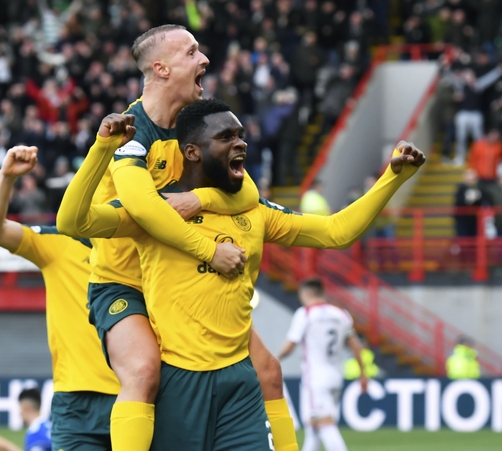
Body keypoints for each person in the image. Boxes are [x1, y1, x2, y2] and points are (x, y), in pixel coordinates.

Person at [57, 100, 424, 450]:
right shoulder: (157, 211)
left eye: (241, 135)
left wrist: (392, 178)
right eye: (226, 137)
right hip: (180, 383)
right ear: (193, 152)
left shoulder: (255, 211)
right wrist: (102, 148)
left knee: (271, 375)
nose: (240, 144)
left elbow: (335, 232)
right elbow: (73, 221)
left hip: (239, 386)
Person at [82, 25, 294, 451]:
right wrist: (209, 250)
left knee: (268, 370)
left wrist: (197, 198)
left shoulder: (193, 129)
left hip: (179, 280)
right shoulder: (129, 131)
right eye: (191, 52)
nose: (205, 60)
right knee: (143, 371)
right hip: (125, 283)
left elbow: (247, 193)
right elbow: (145, 211)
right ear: (161, 68)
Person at [0, 145, 120, 450]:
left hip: (138, 395)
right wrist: (5, 177)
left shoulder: (146, 248)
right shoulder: (59, 243)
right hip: (76, 400)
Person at [277, 277, 370, 451]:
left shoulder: (305, 314)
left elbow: (290, 345)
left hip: (315, 379)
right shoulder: (341, 314)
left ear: (305, 293)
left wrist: (274, 359)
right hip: (335, 376)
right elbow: (356, 345)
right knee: (314, 427)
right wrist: (363, 374)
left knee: (324, 424)